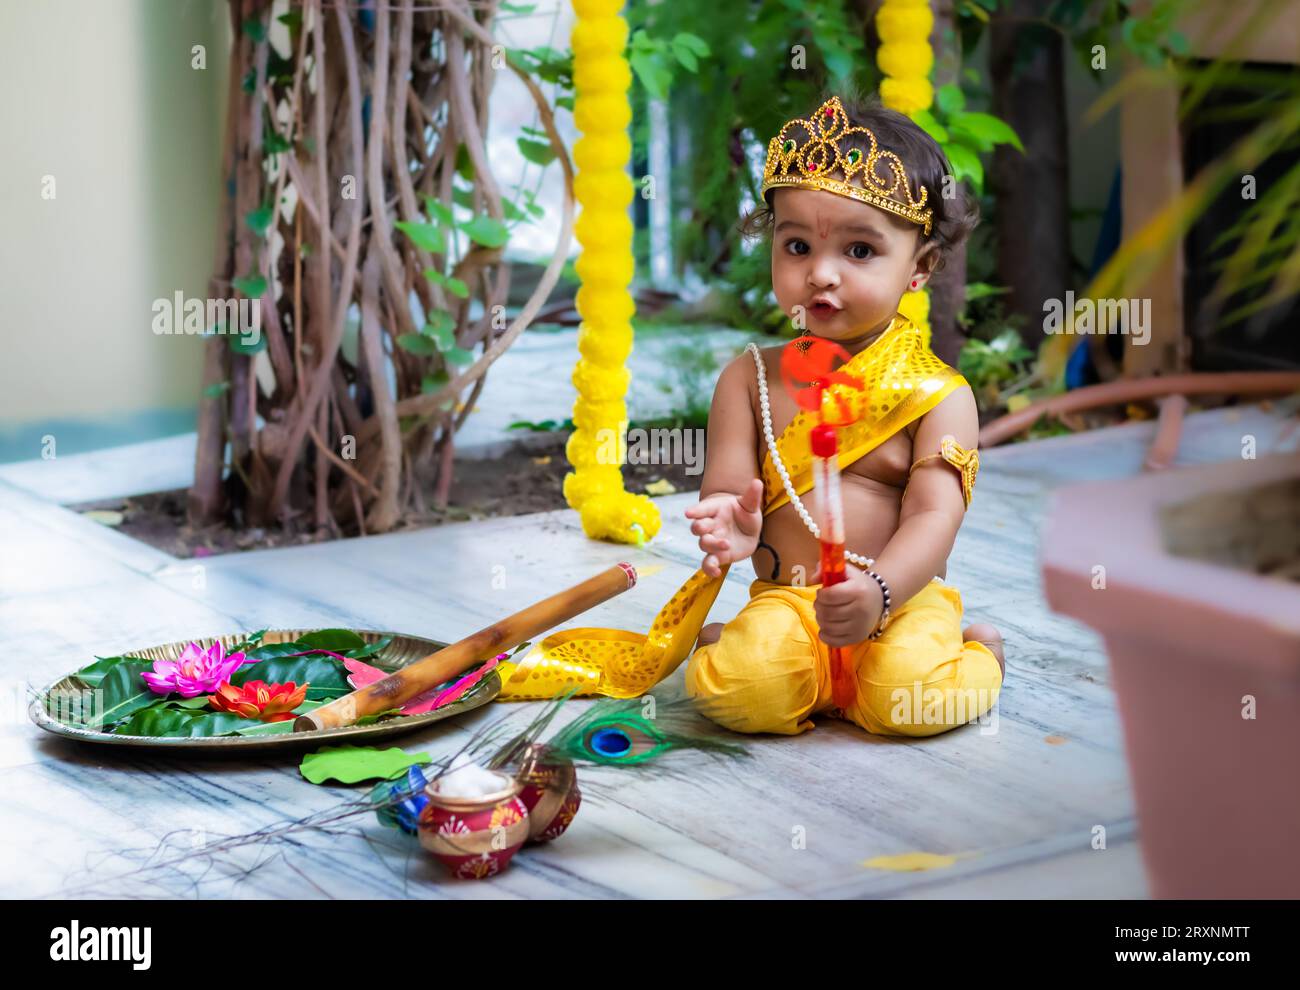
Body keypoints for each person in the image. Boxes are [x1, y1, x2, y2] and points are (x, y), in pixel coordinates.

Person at [493, 94, 1004, 738]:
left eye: (860, 252)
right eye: (796, 246)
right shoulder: (750, 379)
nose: (820, 274)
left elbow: (936, 516)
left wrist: (881, 592)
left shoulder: (938, 393)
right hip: (788, 602)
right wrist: (732, 526)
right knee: (737, 694)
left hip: (900, 600)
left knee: (912, 700)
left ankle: (982, 649)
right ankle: (740, 648)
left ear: (920, 268)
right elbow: (731, 494)